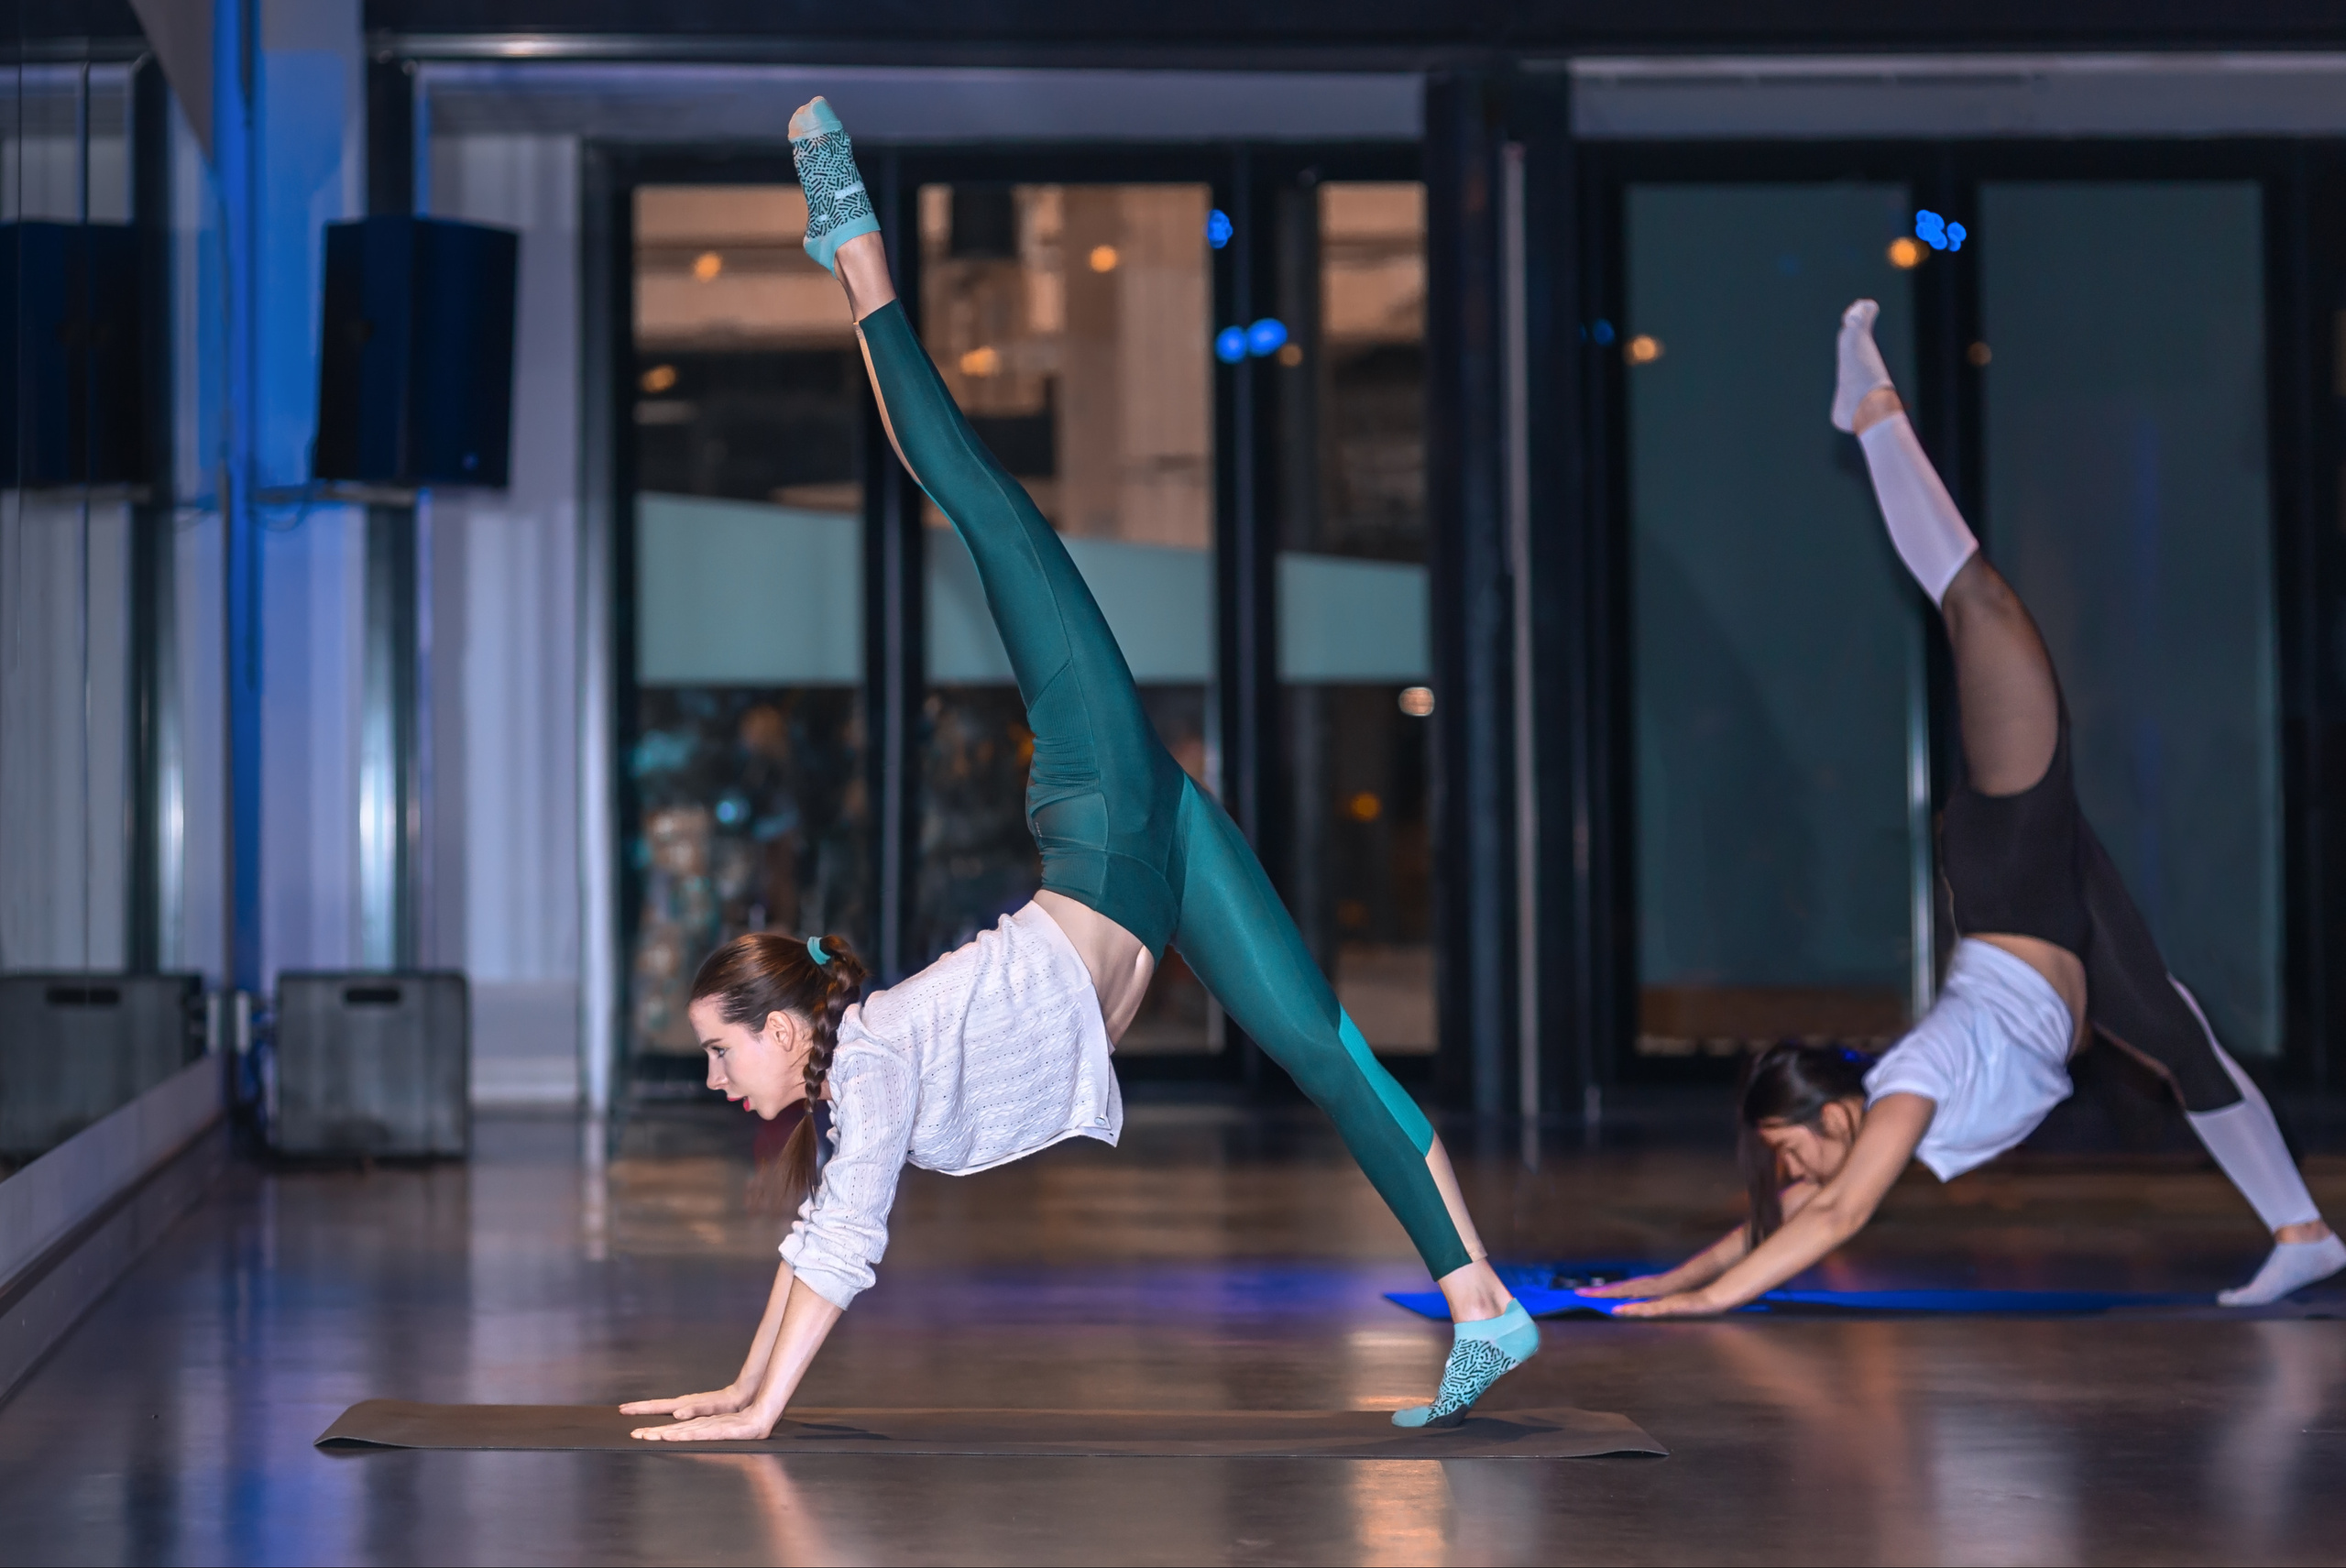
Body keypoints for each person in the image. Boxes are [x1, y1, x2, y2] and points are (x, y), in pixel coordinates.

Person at [622, 98, 1536, 1442]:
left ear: (781, 1026)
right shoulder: (854, 1074)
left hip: (1105, 806)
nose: (714, 1079)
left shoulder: (861, 1064)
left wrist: (758, 1408)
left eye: (717, 1050)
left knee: (984, 506)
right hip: (1158, 858)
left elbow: (830, 1250)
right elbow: (824, 1232)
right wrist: (742, 1390)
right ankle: (1486, 1305)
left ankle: (857, 244)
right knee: (1325, 1048)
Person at [1585, 300, 2343, 1319]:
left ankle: (1871, 408)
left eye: (1790, 1146)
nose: (1796, 1170)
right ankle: (2303, 1234)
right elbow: (1780, 1222)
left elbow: (1834, 1219)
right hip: (2065, 931)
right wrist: (1669, 1278)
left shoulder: (1906, 1094)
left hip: (2013, 877)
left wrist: (1702, 1307)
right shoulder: (1879, 1119)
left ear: (1828, 1104)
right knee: (2179, 1042)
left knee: (1977, 601)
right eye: (1784, 1161)